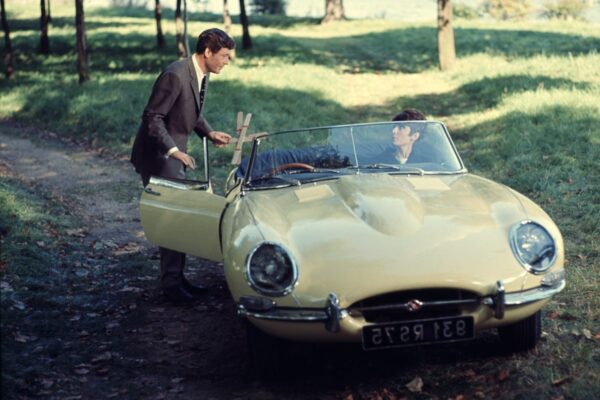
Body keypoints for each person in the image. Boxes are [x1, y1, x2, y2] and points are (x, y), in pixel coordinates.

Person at [130, 28, 235, 305]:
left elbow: (192, 113)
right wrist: (174, 150)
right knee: (172, 219)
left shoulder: (201, 73)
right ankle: (171, 286)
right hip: (158, 156)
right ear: (208, 52)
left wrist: (209, 133)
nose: (227, 61)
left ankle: (178, 279)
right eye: (224, 56)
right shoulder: (175, 75)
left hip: (174, 154)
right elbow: (153, 118)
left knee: (179, 217)